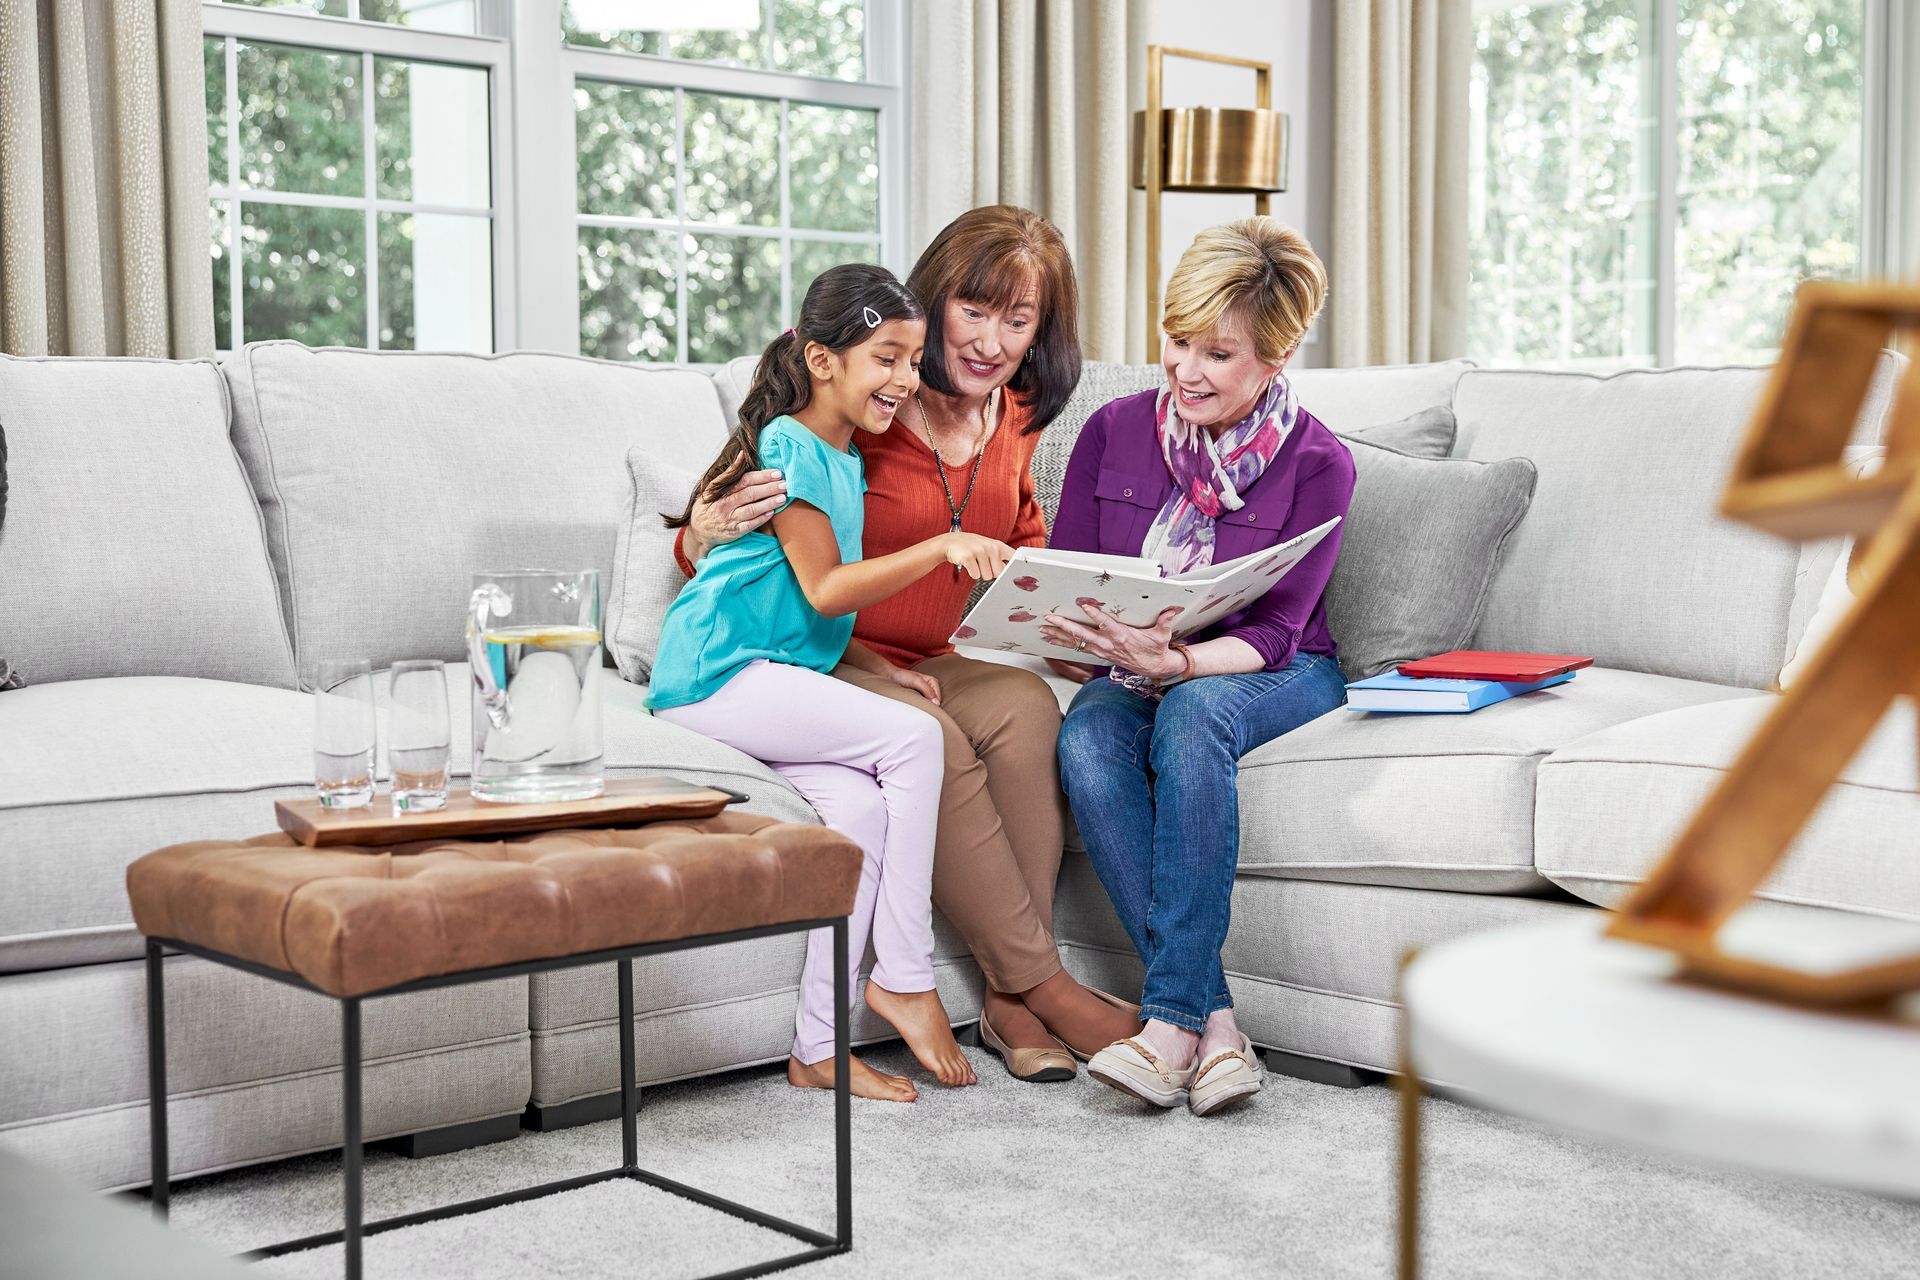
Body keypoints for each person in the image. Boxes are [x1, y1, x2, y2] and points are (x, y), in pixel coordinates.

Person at [675, 208, 1141, 1082]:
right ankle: (1041, 982)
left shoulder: (1015, 416)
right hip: (840, 656)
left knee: (1027, 707)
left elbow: (1020, 536)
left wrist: (1074, 615)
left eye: (1019, 320)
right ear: (935, 304)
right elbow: (729, 532)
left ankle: (1006, 1001)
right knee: (941, 742)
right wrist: (699, 529)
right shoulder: (866, 401)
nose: (992, 341)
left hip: (944, 653)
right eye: (974, 309)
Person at [650, 263, 1018, 1102]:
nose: (904, 379)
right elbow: (822, 588)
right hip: (716, 673)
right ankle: (906, 974)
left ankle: (817, 1049)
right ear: (822, 360)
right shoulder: (789, 446)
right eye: (885, 358)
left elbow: (796, 602)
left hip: (766, 666)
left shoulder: (845, 460)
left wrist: (873, 665)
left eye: (912, 360)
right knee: (915, 739)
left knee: (854, 811)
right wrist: (938, 548)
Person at [1046, 218, 1354, 1115]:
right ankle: (1212, 1023)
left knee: (1195, 715)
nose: (1183, 370)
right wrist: (1082, 635)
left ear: (1279, 352)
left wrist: (1179, 661)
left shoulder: (1321, 463)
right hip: (1136, 667)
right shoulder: (1110, 431)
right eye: (1178, 341)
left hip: (1276, 671)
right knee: (1092, 735)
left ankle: (1168, 1019)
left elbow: (1279, 633)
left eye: (1217, 354)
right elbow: (1073, 578)